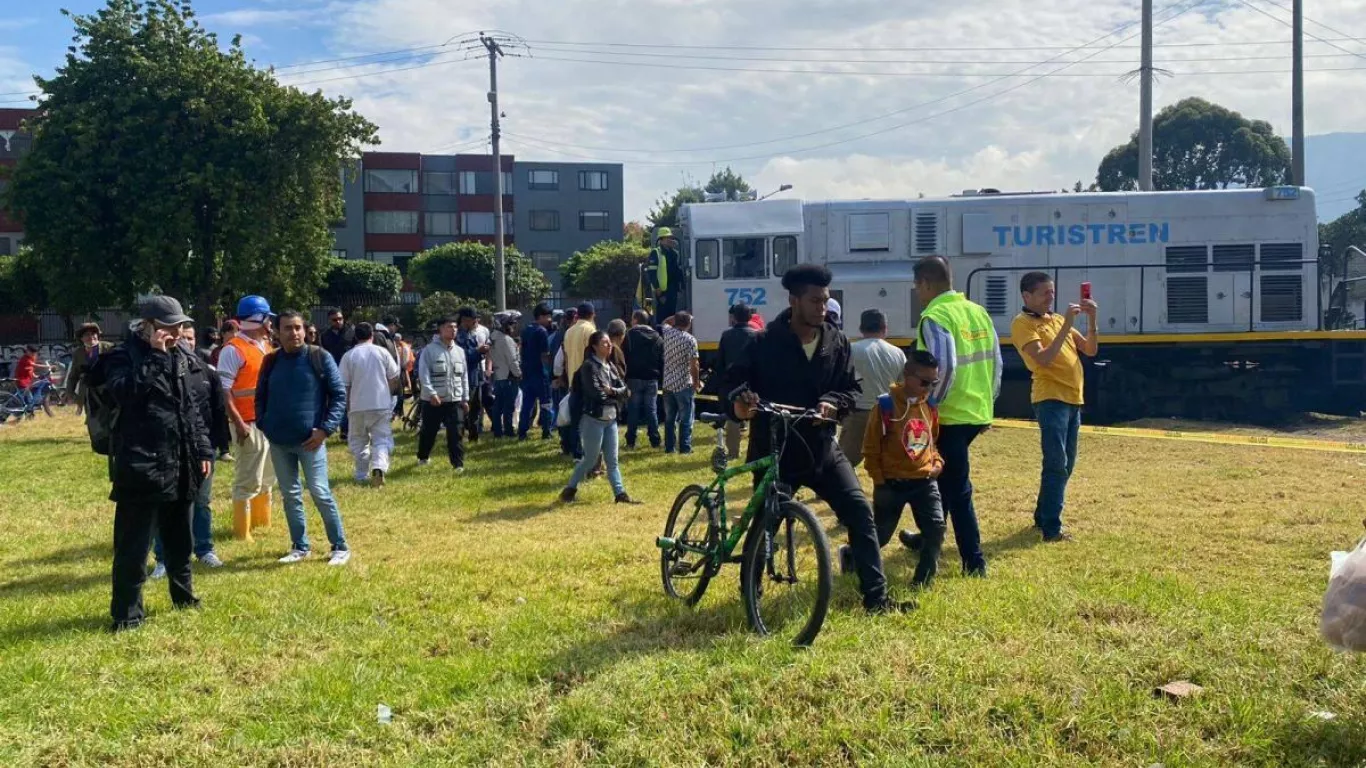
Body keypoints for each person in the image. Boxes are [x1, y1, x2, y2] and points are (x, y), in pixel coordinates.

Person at [727, 264, 911, 615]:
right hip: (776, 450)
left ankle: (877, 598)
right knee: (766, 522)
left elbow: (849, 388)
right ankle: (751, 590)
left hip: (823, 450)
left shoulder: (836, 340)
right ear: (794, 300)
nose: (822, 308)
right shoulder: (763, 342)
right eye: (815, 301)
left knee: (859, 511)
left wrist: (833, 402)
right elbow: (732, 383)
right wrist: (740, 404)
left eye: (826, 301)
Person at [87, 296, 212, 631]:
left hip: (181, 461)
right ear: (149, 326)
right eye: (169, 325)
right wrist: (155, 358)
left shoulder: (182, 356)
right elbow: (124, 394)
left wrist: (202, 450)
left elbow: (192, 409)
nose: (177, 331)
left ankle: (183, 596)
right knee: (133, 546)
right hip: (141, 463)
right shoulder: (121, 356)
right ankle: (127, 615)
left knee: (179, 540)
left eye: (179, 325)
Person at [911, 256, 1001, 577]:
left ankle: (974, 561)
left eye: (917, 286)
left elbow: (944, 366)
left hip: (949, 415)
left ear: (926, 283)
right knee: (945, 479)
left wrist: (930, 405)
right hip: (975, 411)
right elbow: (996, 362)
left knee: (956, 488)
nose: (917, 292)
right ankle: (926, 537)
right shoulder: (978, 311)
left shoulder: (935, 315)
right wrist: (988, 406)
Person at [256, 310, 350, 565]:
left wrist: (325, 430)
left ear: (305, 330)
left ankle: (339, 546)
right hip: (279, 441)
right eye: (287, 328)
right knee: (290, 495)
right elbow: (261, 396)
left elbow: (339, 395)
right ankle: (300, 546)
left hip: (311, 441)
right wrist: (265, 424)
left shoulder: (319, 357)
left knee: (320, 492)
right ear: (277, 331)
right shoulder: (271, 361)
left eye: (297, 327)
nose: (294, 333)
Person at [1011, 272, 1099, 542]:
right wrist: (1066, 326)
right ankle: (1051, 528)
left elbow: (1091, 350)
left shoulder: (1057, 320)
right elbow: (1044, 359)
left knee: (1066, 464)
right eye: (1044, 293)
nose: (1051, 297)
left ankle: (1042, 516)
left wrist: (1092, 320)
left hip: (1073, 399)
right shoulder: (1022, 323)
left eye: (1052, 291)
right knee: (1056, 463)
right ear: (1027, 296)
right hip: (1050, 398)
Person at [860, 350, 948, 588]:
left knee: (936, 528)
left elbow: (932, 442)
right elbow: (870, 448)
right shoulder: (885, 406)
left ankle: (923, 579)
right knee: (880, 536)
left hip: (925, 481)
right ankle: (851, 555)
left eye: (934, 383)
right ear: (907, 375)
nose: (928, 388)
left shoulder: (929, 406)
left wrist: (937, 463)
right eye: (924, 382)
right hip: (891, 483)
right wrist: (879, 480)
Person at [152, 324, 232, 576]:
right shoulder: (160, 368)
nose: (185, 342)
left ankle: (204, 548)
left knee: (201, 501)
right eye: (181, 337)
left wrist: (220, 446)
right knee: (166, 505)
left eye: (189, 338)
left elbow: (217, 411)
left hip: (201, 447)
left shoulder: (206, 371)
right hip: (168, 449)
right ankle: (163, 558)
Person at [217, 295, 278, 541]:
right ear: (258, 319)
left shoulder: (265, 346)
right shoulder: (233, 350)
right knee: (248, 478)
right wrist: (239, 423)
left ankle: (262, 523)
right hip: (247, 422)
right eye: (268, 318)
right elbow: (224, 391)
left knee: (267, 476)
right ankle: (242, 532)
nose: (271, 324)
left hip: (267, 421)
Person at [559, 331, 640, 504]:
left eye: (609, 342)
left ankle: (620, 494)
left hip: (610, 420)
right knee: (589, 460)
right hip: (593, 420)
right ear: (594, 346)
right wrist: (616, 394)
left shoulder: (609, 366)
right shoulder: (589, 367)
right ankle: (569, 489)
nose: (609, 345)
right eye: (604, 343)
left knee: (612, 461)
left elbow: (626, 391)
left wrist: (612, 391)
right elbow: (596, 394)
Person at [841, 309, 907, 468]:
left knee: (843, 464)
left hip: (858, 413)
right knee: (887, 465)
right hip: (887, 415)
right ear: (885, 328)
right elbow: (903, 387)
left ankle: (826, 493)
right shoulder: (898, 353)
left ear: (861, 328)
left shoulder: (850, 350)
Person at [340, 322, 400, 487]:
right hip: (381, 404)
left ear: (356, 337)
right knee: (381, 439)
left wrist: (347, 406)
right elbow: (394, 377)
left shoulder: (349, 356)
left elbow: (344, 385)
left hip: (357, 405)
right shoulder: (382, 352)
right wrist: (388, 394)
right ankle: (379, 467)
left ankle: (361, 475)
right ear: (372, 335)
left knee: (359, 441)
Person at [417, 315, 468, 470]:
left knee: (456, 433)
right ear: (440, 330)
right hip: (434, 400)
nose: (453, 330)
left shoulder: (459, 351)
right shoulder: (429, 351)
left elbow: (463, 376)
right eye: (449, 327)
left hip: (454, 399)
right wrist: (431, 393)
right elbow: (423, 375)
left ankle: (458, 464)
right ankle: (423, 457)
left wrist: (465, 398)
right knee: (429, 431)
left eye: (455, 327)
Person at [709, 304, 759, 461]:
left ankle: (733, 452)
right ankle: (756, 451)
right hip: (753, 382)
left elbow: (720, 362)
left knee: (733, 417)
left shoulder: (727, 335)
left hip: (732, 383)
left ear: (734, 317)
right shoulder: (758, 335)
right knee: (756, 416)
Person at [559, 303, 598, 459]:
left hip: (572, 381)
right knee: (591, 420)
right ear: (592, 314)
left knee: (575, 421)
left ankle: (577, 453)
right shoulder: (590, 330)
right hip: (588, 382)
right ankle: (590, 453)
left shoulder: (568, 332)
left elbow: (566, 359)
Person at [660, 311, 701, 454]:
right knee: (686, 419)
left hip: (668, 383)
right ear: (688, 323)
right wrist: (696, 382)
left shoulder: (667, 333)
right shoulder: (690, 340)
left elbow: (664, 322)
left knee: (670, 418)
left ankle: (669, 447)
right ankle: (685, 448)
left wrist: (674, 318)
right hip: (683, 383)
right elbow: (694, 365)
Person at [622, 309, 663, 450]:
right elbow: (661, 359)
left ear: (635, 320)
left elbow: (624, 356)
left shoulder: (629, 335)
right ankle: (655, 440)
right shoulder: (657, 336)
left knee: (633, 410)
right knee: (651, 410)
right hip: (652, 377)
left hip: (634, 377)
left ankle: (631, 441)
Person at [518, 304, 554, 441]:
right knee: (546, 404)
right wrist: (549, 371)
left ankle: (522, 432)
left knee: (527, 404)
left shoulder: (526, 330)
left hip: (527, 373)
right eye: (548, 316)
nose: (550, 320)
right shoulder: (542, 332)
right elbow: (545, 355)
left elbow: (522, 350)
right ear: (541, 317)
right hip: (540, 373)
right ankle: (546, 432)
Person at [456, 307, 491, 442]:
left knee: (476, 408)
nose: (476, 323)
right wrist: (478, 351)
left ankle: (474, 436)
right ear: (465, 320)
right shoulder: (459, 336)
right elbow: (463, 356)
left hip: (476, 376)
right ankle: (459, 436)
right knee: (464, 408)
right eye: (473, 320)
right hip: (465, 377)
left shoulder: (471, 334)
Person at [67, 323, 113, 415]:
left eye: (93, 334)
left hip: (107, 392)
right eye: (87, 335)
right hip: (88, 393)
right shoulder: (78, 353)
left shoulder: (109, 348)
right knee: (92, 420)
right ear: (81, 338)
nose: (91, 337)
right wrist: (70, 393)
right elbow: (73, 376)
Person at [489, 312, 522, 438]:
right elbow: (512, 360)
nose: (514, 327)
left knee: (498, 406)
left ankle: (497, 431)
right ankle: (509, 431)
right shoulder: (506, 340)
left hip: (499, 375)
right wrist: (518, 373)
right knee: (509, 406)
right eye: (511, 324)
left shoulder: (493, 337)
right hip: (509, 376)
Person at [645, 228, 685, 321]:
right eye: (668, 238)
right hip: (662, 291)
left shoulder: (674, 253)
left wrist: (682, 285)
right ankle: (661, 335)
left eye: (671, 238)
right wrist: (657, 289)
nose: (670, 240)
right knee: (662, 317)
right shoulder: (656, 252)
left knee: (672, 316)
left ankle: (670, 335)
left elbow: (677, 270)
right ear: (661, 239)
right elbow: (652, 273)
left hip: (673, 289)